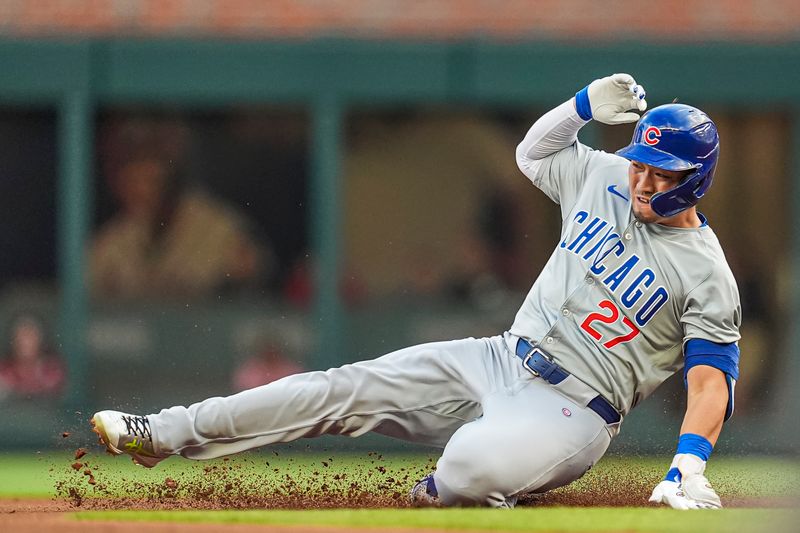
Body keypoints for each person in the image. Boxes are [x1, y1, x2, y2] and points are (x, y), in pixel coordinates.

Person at [91, 74, 739, 510]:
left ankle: (466, 491)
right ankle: (165, 431)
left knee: (462, 466)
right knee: (337, 387)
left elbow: (712, 381)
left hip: (573, 410)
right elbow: (532, 154)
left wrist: (689, 462)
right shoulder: (606, 174)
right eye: (642, 163)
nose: (645, 180)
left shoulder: (707, 271)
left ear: (696, 179)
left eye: (663, 173)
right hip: (502, 356)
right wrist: (580, 107)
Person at [89, 142, 269, 300]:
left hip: (204, 329)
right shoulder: (116, 235)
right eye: (132, 184)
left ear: (172, 185)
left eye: (151, 182)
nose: (140, 192)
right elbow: (82, 283)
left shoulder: (214, 223)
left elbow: (254, 269)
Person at [0, 314, 65, 399]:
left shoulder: (52, 370)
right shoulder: (4, 371)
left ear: (40, 340)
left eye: (30, 336)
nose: (25, 343)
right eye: (20, 337)